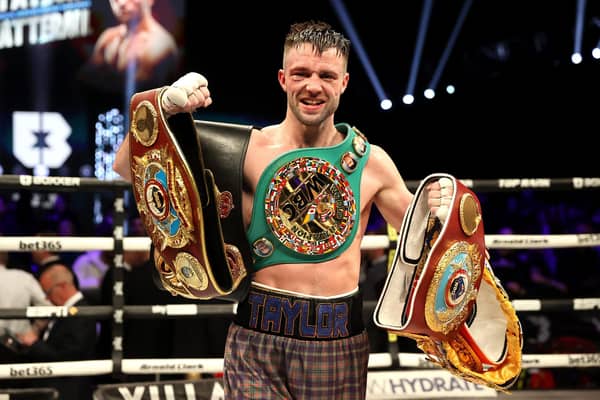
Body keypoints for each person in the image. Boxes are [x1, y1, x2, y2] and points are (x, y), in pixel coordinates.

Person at [113, 20, 450, 399]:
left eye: (326, 75)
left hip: (337, 341)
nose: (312, 85)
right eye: (301, 73)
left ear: (344, 83)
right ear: (282, 78)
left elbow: (425, 239)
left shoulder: (372, 162)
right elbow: (129, 165)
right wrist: (165, 106)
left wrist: (439, 208)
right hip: (256, 337)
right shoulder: (247, 149)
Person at [15, 264, 97, 400]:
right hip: (59, 387)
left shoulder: (81, 312)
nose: (46, 299)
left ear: (63, 286)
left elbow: (70, 355)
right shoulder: (65, 311)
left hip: (70, 390)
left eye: (47, 292)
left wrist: (35, 344)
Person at [83, 0, 180, 91]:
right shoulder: (108, 37)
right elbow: (84, 80)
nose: (121, 3)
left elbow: (138, 96)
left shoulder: (159, 45)